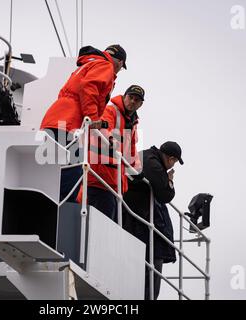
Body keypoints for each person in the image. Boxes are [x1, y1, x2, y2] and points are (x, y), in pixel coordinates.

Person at [40, 44, 127, 202]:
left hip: (54, 119)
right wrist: (93, 118)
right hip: (69, 124)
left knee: (50, 176)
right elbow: (89, 87)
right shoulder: (105, 65)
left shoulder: (88, 63)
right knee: (71, 177)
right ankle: (61, 216)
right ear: (120, 64)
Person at [123, 141, 184, 300]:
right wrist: (169, 180)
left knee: (144, 267)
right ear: (170, 158)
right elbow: (166, 195)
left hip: (137, 217)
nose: (172, 166)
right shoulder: (153, 164)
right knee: (151, 272)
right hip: (142, 221)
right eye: (174, 162)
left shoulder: (147, 156)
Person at [79, 85, 144, 221]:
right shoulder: (111, 110)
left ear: (140, 104)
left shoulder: (132, 123)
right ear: (124, 96)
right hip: (99, 178)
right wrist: (110, 140)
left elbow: (131, 149)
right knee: (98, 223)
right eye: (130, 97)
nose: (132, 101)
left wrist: (136, 169)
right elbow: (104, 126)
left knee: (107, 224)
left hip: (113, 183)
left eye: (136, 100)